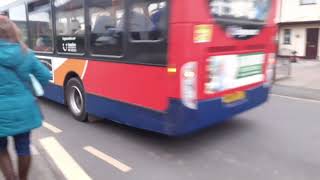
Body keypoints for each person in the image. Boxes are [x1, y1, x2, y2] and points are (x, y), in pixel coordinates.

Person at [0, 16, 51, 180]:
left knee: (1, 150)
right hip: (24, 109)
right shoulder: (26, 53)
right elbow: (45, 75)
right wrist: (31, 90)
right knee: (24, 148)